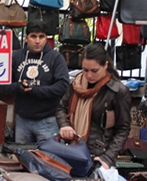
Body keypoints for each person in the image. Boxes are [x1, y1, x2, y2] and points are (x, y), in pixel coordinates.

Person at [56, 42, 131, 170]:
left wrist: (108, 158)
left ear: (105, 66)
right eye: (85, 70)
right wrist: (65, 125)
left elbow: (123, 129)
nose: (89, 75)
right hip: (72, 150)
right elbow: (61, 108)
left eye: (94, 71)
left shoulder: (117, 91)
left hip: (99, 156)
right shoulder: (76, 84)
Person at [0, 20, 70, 143]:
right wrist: (19, 88)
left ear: (46, 38)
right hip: (22, 121)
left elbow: (63, 86)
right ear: (26, 38)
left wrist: (36, 91)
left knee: (47, 159)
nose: (37, 41)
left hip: (48, 121)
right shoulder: (16, 57)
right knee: (21, 158)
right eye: (33, 36)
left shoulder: (56, 58)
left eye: (41, 37)